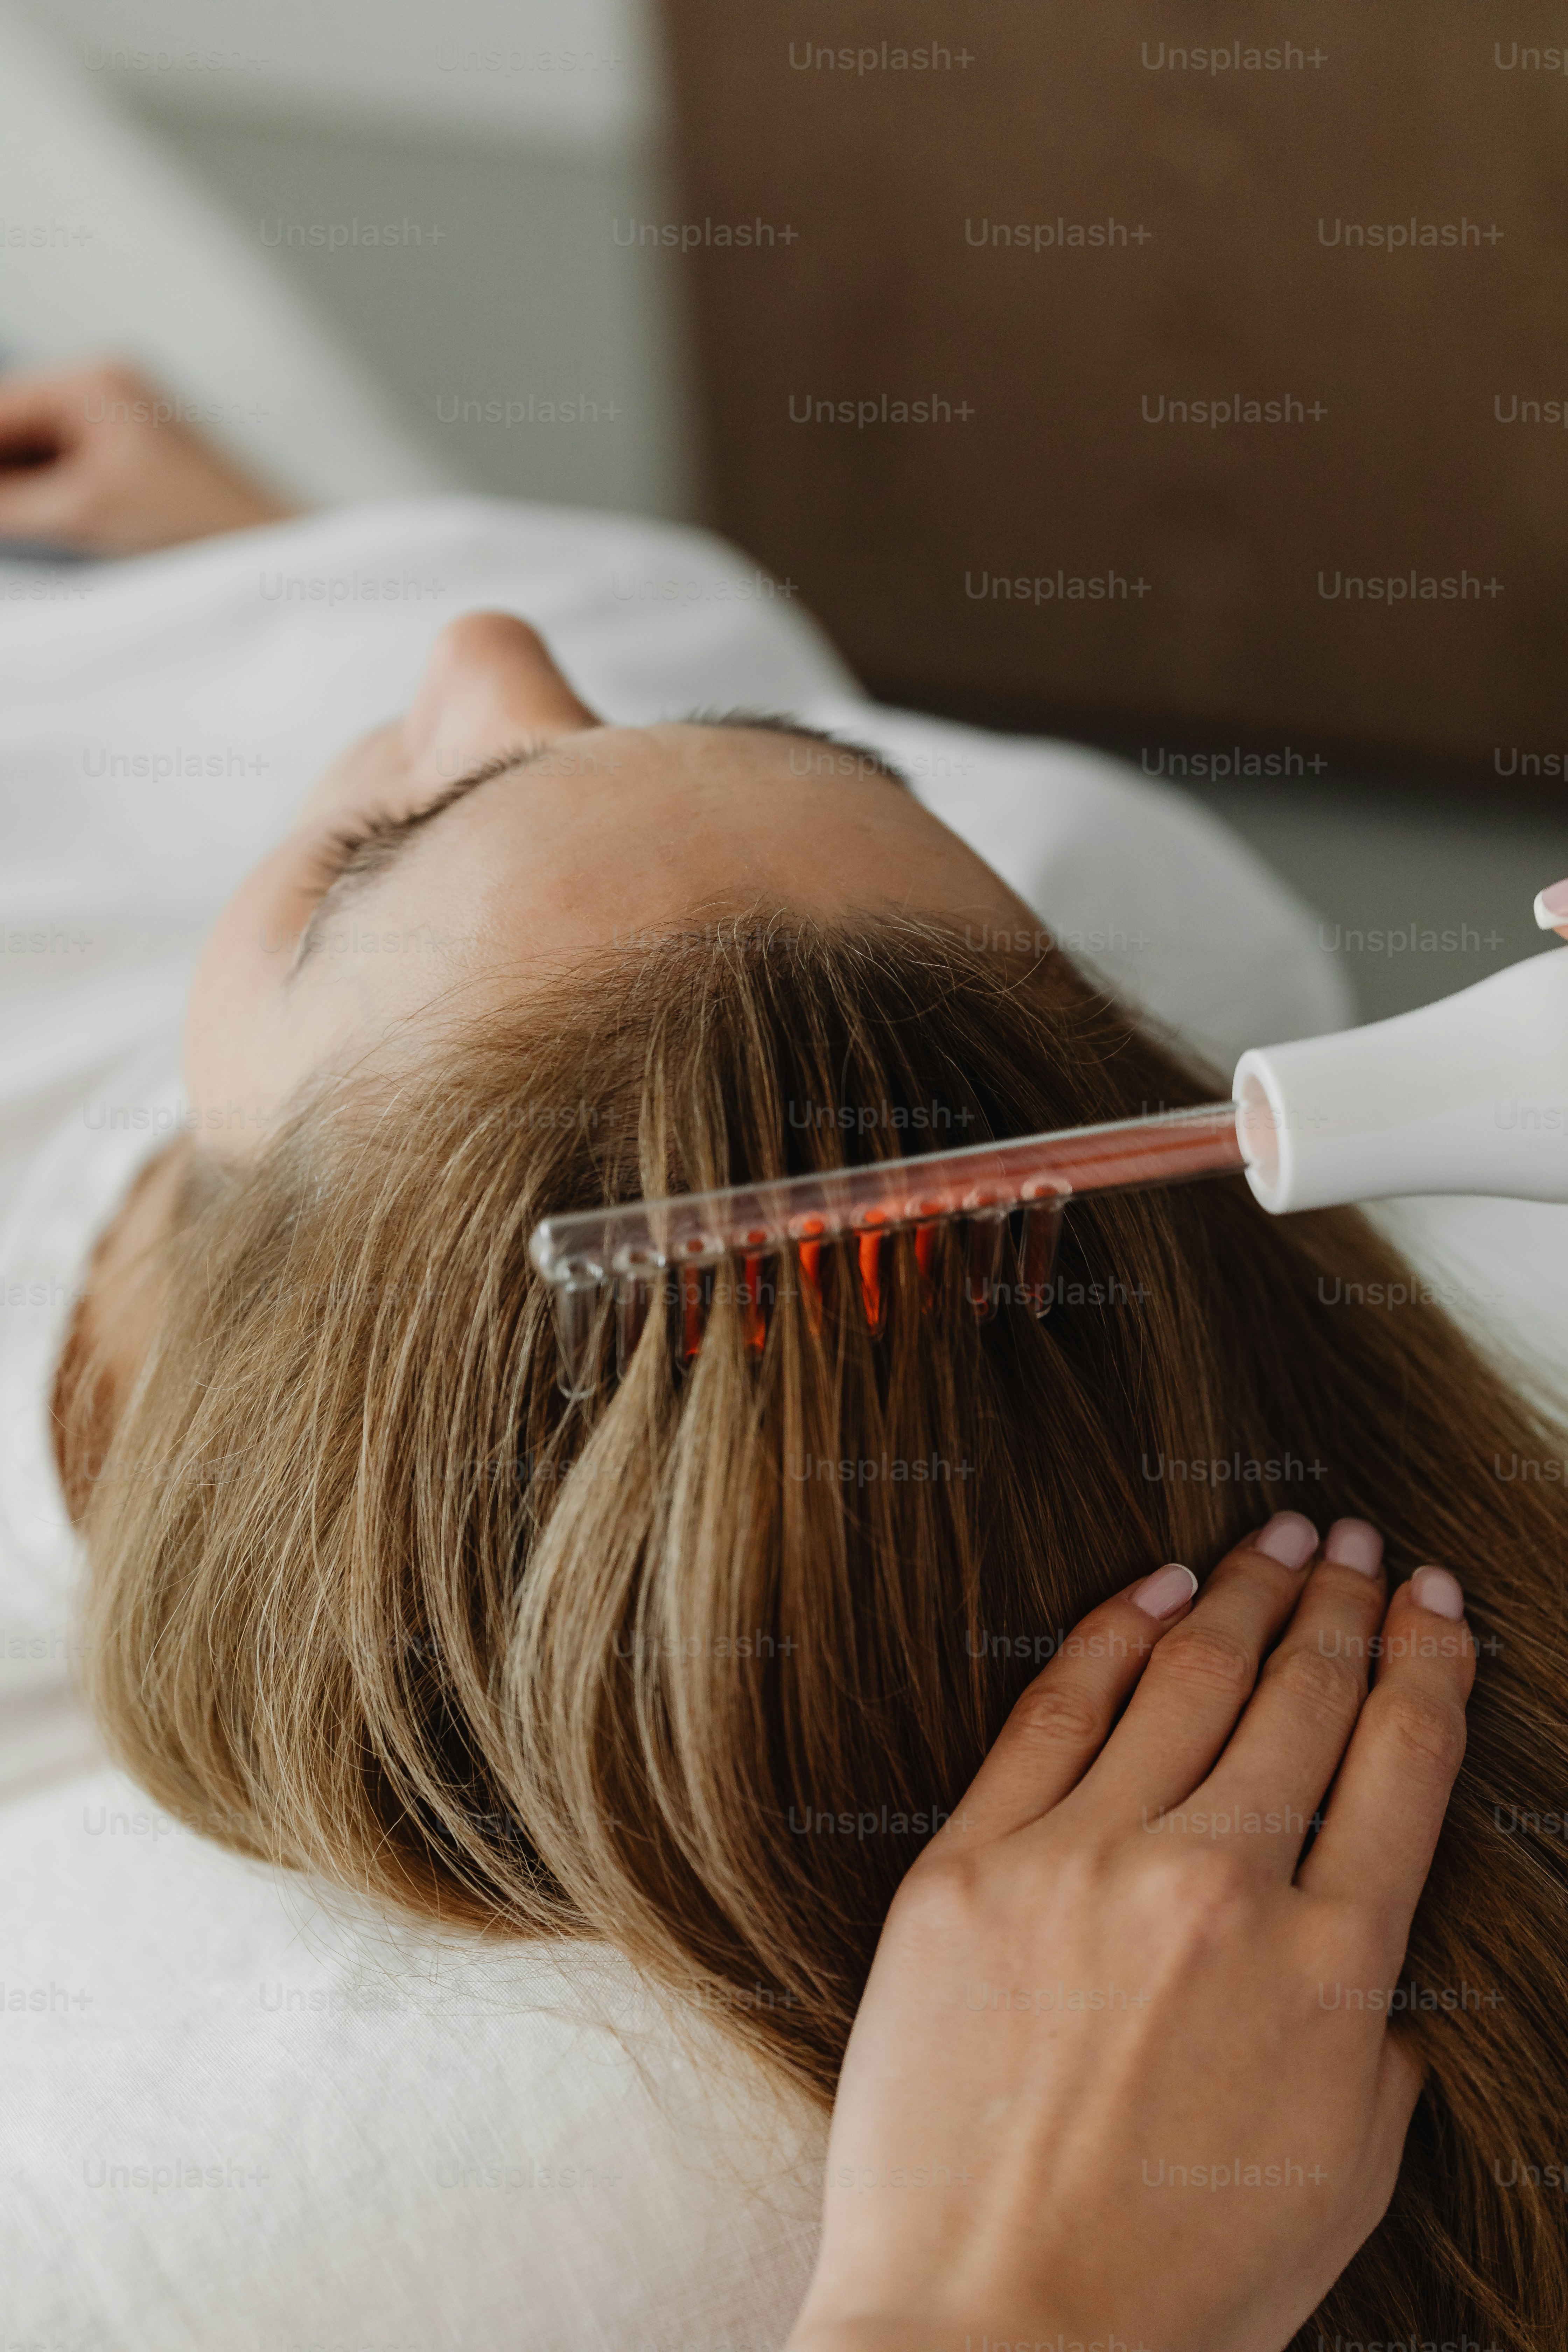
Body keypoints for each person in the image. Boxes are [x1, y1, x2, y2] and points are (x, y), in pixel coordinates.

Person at [3, 363, 1562, 2350]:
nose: (493, 640)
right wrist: (272, 575)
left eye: (370, 859)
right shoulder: (1072, 855)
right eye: (787, 747)